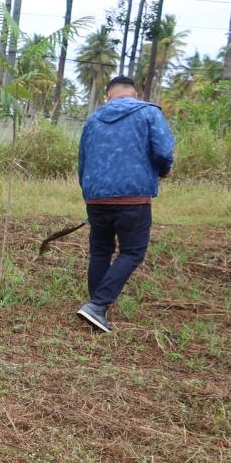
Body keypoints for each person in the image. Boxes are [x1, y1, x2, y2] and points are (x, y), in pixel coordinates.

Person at [75, 75, 175, 333]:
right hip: (133, 197)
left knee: (100, 251)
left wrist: (90, 193)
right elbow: (164, 152)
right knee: (132, 252)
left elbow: (82, 161)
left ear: (108, 95)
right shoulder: (149, 113)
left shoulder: (93, 119)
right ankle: (97, 306)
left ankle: (96, 309)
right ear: (135, 94)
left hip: (96, 197)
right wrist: (162, 171)